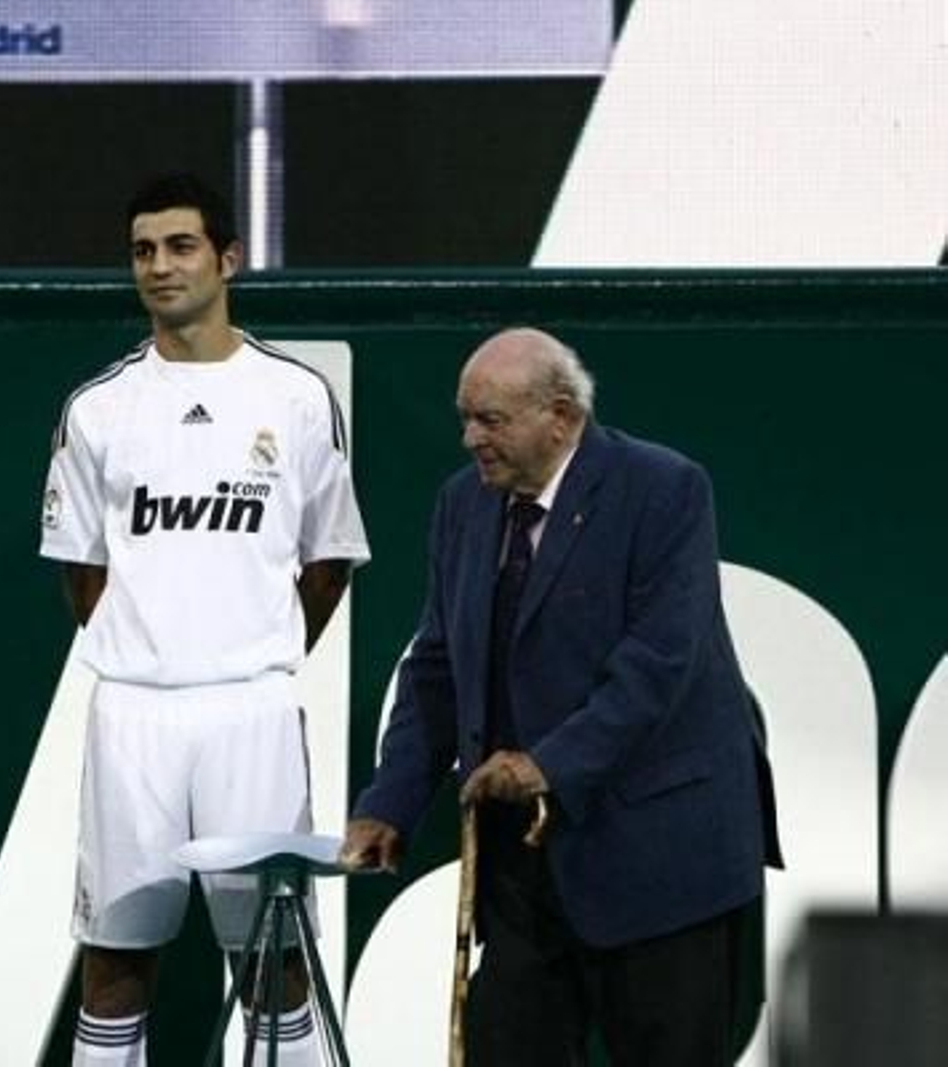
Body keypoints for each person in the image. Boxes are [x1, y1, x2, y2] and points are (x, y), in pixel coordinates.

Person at [341, 327, 780, 1066]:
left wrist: (548, 762)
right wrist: (390, 800)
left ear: (562, 416)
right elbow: (438, 668)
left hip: (661, 855)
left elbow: (658, 663)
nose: (469, 438)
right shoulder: (463, 506)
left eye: (491, 419)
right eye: (465, 417)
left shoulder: (664, 489)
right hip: (527, 865)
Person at [39, 173, 371, 1066]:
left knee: (273, 955)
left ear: (228, 259)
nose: (159, 266)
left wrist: (249, 649)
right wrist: (158, 646)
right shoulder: (99, 407)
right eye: (143, 250)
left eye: (180, 246)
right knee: (115, 961)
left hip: (250, 711)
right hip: (134, 712)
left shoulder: (296, 398)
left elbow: (328, 560)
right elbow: (84, 572)